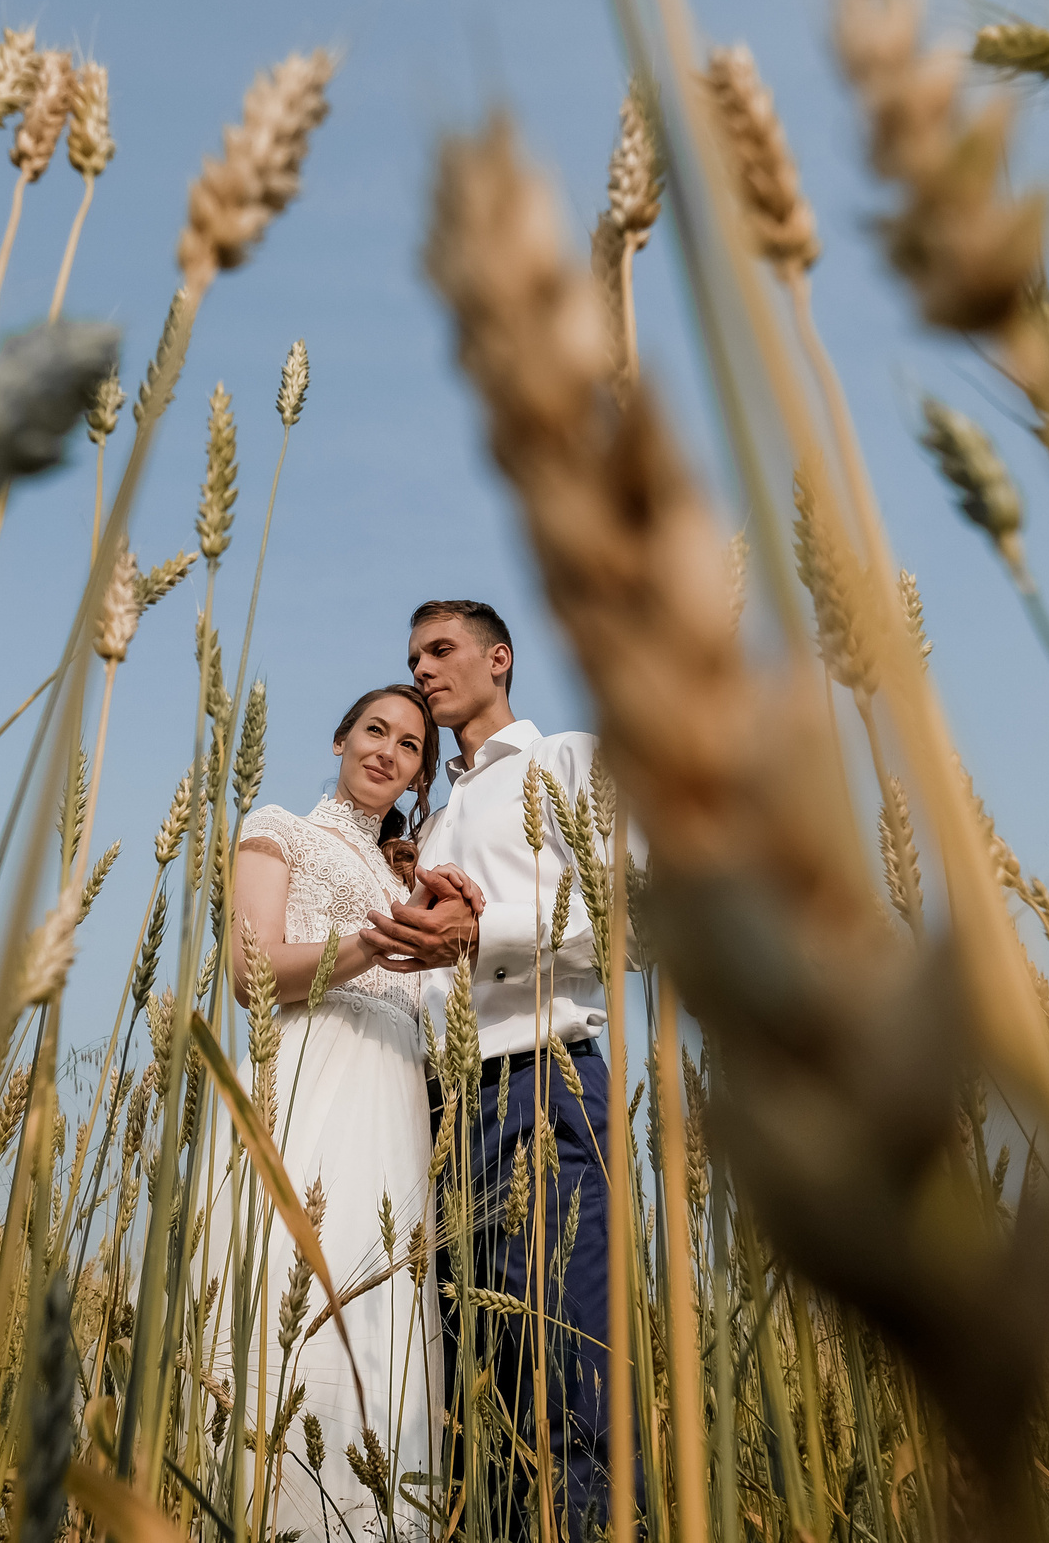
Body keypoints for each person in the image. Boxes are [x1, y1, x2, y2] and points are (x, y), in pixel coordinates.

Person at [363, 599, 620, 1543]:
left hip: (542, 1083)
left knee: (567, 1370)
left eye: (440, 650)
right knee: (476, 1383)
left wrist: (485, 931)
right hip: (437, 1115)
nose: (423, 670)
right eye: (412, 655)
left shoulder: (566, 761)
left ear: (498, 657)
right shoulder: (430, 827)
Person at [227, 682, 485, 1541]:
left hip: (397, 1098)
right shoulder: (278, 828)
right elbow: (248, 967)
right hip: (308, 1078)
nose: (388, 750)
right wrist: (368, 944)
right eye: (374, 730)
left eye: (410, 745)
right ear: (341, 738)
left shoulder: (406, 873)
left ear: (419, 772)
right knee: (287, 1298)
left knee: (381, 1324)